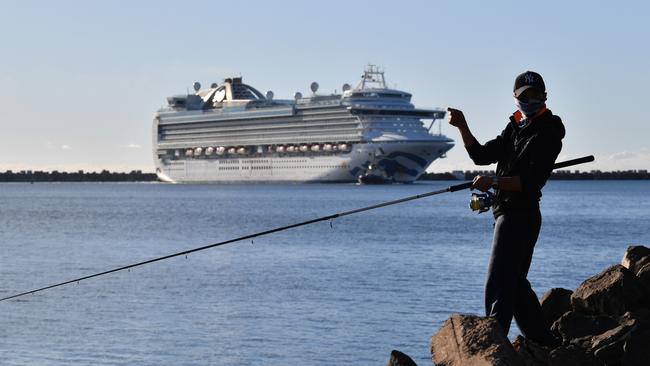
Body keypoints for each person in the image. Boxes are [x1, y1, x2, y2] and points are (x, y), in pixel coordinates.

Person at [447, 71, 565, 347]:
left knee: (498, 281)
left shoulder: (549, 131)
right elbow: (481, 156)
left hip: (520, 216)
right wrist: (462, 126)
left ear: (545, 97)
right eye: (525, 95)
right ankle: (547, 344)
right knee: (516, 285)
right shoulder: (515, 128)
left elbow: (530, 182)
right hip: (507, 214)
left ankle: (493, 345)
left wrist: (495, 181)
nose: (530, 100)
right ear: (515, 98)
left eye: (535, 95)